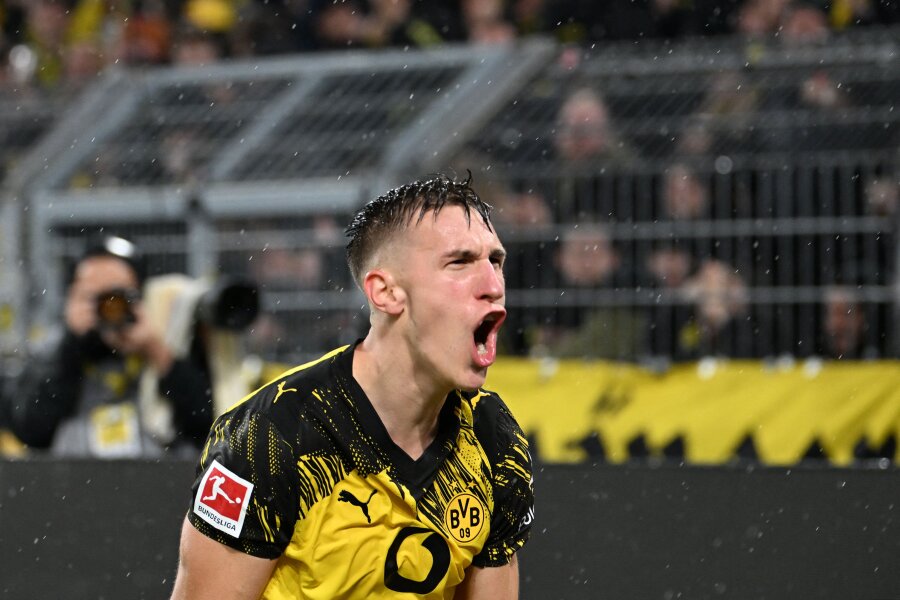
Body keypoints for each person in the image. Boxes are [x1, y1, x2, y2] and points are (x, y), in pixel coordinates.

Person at [169, 174, 535, 599]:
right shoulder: (270, 436)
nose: (493, 286)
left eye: (496, 261)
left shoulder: (493, 438)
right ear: (385, 292)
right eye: (459, 262)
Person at [6, 235, 213, 457]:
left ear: (141, 298)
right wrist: (72, 346)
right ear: (72, 297)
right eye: (92, 296)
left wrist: (156, 351)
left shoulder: (171, 342)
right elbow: (30, 431)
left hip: (158, 473)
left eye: (117, 297)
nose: (106, 307)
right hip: (71, 474)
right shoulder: (52, 350)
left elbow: (206, 427)